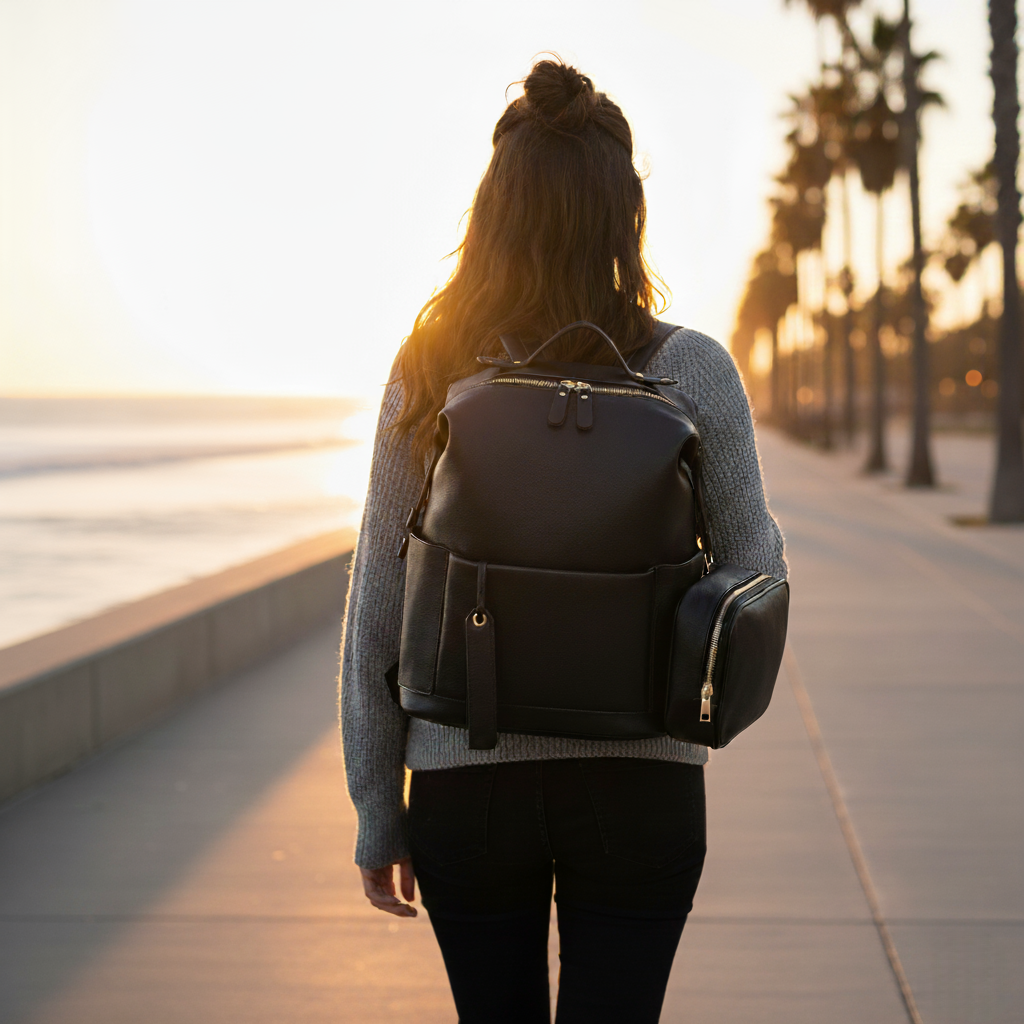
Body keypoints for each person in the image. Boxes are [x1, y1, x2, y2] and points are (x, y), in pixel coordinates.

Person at [340, 58, 786, 1024]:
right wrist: (689, 710)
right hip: (641, 787)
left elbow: (379, 596)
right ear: (625, 212)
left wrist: (378, 803)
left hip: (466, 782)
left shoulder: (433, 364)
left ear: (494, 211)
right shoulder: (693, 371)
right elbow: (759, 578)